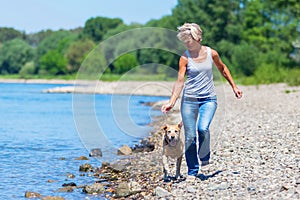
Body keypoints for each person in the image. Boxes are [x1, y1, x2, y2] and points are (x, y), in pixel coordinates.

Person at [161, 23, 243, 178]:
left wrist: (234, 87)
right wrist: (172, 101)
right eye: (184, 41)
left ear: (197, 38)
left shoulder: (212, 53)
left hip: (209, 99)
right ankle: (192, 171)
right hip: (189, 100)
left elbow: (223, 68)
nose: (187, 44)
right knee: (190, 136)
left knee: (203, 128)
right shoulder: (184, 58)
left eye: (189, 41)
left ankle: (204, 156)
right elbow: (180, 81)